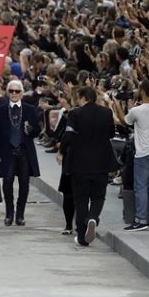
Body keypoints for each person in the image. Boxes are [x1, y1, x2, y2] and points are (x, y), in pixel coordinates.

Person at [58, 86, 119, 246]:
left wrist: (61, 151)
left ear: (83, 97)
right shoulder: (106, 113)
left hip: (80, 163)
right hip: (101, 162)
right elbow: (112, 133)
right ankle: (93, 217)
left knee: (81, 199)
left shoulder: (75, 113)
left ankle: (82, 235)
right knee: (98, 196)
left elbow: (69, 134)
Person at [118, 79, 149, 231]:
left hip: (144, 153)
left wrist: (117, 105)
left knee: (141, 187)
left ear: (143, 92)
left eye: (139, 89)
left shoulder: (136, 111)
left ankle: (141, 220)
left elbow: (124, 121)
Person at [0, 79, 41, 226]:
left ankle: (20, 215)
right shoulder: (0, 111)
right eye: (11, 91)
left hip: (24, 151)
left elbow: (37, 130)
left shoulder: (29, 109)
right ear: (7, 93)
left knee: (24, 184)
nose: (14, 94)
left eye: (17, 91)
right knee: (7, 183)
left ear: (21, 93)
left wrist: (31, 130)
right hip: (7, 152)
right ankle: (9, 213)